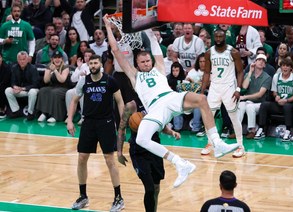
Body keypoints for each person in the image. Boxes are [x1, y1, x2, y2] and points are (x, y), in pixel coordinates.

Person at [104, 15, 239, 188]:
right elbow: (115, 50)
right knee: (141, 139)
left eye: (147, 60)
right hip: (156, 108)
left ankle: (217, 143)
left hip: (171, 97)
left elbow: (153, 42)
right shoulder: (134, 75)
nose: (146, 63)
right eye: (142, 62)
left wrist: (146, 26)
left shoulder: (159, 68)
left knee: (202, 99)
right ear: (136, 64)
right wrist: (108, 26)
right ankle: (180, 163)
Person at [67, 55, 125, 211]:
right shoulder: (83, 81)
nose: (93, 65)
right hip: (88, 123)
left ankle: (118, 198)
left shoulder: (110, 80)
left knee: (109, 159)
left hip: (106, 123)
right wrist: (70, 120)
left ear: (100, 64)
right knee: (81, 158)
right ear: (88, 65)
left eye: (95, 63)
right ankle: (83, 196)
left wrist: (123, 122)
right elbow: (74, 100)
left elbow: (120, 101)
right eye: (90, 63)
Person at [200, 29, 245, 158]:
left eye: (221, 36)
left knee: (234, 118)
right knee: (208, 117)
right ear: (214, 38)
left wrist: (238, 89)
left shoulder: (233, 52)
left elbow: (240, 72)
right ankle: (210, 143)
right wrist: (202, 91)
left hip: (229, 87)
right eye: (216, 37)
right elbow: (207, 73)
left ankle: (240, 146)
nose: (218, 39)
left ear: (225, 37)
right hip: (214, 87)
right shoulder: (209, 53)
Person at [255, 58, 293, 141]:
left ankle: (288, 130)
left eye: (287, 66)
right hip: (278, 103)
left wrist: (286, 100)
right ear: (280, 67)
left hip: (290, 104)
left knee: (287, 106)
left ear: (291, 68)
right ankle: (261, 129)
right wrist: (276, 97)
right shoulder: (276, 76)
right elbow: (274, 92)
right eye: (283, 66)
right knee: (264, 104)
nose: (285, 68)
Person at [239, 54, 272, 139]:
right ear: (255, 62)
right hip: (249, 101)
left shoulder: (267, 77)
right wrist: (250, 72)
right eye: (259, 60)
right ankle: (236, 130)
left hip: (260, 103)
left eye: (263, 61)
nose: (261, 62)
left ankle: (252, 131)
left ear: (265, 65)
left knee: (250, 106)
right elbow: (244, 86)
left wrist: (245, 97)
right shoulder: (248, 74)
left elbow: (260, 95)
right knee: (241, 105)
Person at [36, 51, 70, 123]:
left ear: (62, 59)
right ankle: (44, 113)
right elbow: (46, 81)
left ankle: (55, 116)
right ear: (52, 59)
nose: (57, 60)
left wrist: (55, 70)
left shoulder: (65, 67)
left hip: (64, 88)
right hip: (53, 86)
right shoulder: (49, 66)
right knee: (43, 90)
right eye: (55, 58)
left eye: (59, 58)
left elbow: (62, 80)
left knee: (54, 92)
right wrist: (49, 71)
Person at [5, 51, 39, 120]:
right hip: (20, 90)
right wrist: (15, 87)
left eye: (24, 59)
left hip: (31, 90)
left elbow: (36, 84)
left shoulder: (33, 68)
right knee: (8, 90)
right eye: (20, 59)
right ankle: (16, 111)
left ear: (27, 60)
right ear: (17, 60)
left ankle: (30, 113)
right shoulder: (14, 68)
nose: (22, 61)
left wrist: (22, 88)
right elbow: (12, 82)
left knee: (32, 92)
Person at [0, 53, 11, 118]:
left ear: (1, 58)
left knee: (1, 88)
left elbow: (5, 81)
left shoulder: (6, 67)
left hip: (5, 85)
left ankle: (2, 108)